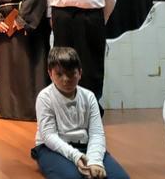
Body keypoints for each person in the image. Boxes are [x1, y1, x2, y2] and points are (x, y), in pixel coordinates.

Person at [32, 47, 130, 179]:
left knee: (120, 177)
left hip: (85, 145)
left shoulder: (89, 97)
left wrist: (95, 161)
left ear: (80, 73)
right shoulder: (45, 97)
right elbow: (49, 136)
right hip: (52, 148)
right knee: (72, 177)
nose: (66, 79)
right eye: (59, 74)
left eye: (71, 73)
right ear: (50, 74)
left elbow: (96, 133)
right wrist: (76, 156)